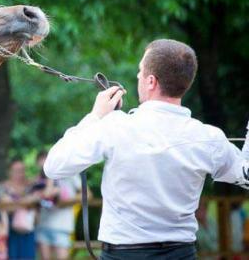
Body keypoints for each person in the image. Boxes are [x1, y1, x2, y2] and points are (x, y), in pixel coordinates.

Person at [43, 39, 249, 259]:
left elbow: (54, 166)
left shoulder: (115, 125)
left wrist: (95, 116)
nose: (138, 76)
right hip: (181, 254)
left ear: (151, 81)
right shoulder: (208, 137)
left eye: (140, 71)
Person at [34, 151, 85, 260]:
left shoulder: (69, 173)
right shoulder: (38, 180)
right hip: (43, 225)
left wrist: (65, 202)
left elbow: (87, 194)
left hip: (62, 226)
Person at [0, 158, 39, 260]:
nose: (20, 174)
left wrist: (14, 203)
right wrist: (25, 202)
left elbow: (37, 202)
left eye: (22, 170)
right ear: (9, 171)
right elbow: (3, 206)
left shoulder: (30, 186)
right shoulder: (1, 186)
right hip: (8, 230)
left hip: (27, 228)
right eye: (17, 170)